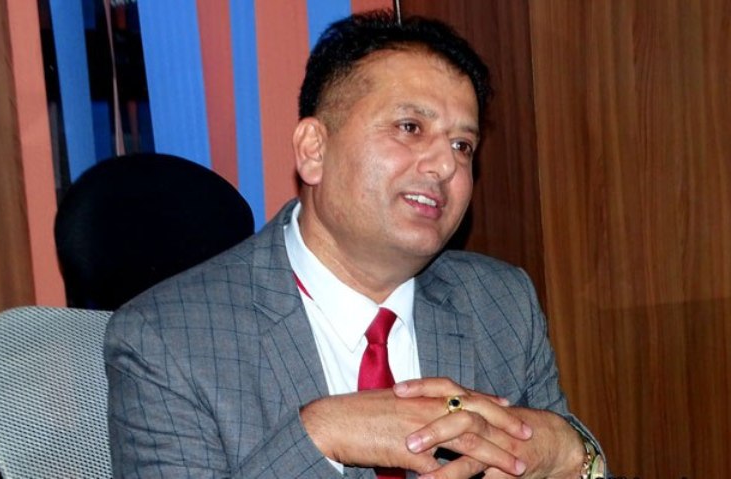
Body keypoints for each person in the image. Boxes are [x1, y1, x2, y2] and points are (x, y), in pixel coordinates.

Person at [105, 10, 605, 479]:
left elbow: (569, 455)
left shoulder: (500, 303)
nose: (445, 165)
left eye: (462, 145)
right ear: (314, 151)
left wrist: (577, 455)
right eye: (410, 128)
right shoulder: (167, 340)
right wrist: (320, 434)